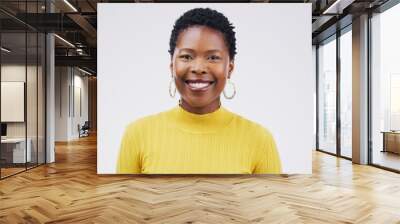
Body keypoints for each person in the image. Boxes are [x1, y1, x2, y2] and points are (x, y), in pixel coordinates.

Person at [117, 7, 281, 174]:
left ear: (229, 68)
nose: (198, 68)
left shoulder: (260, 139)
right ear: (172, 65)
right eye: (187, 56)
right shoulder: (136, 134)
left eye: (213, 57)